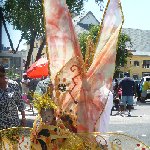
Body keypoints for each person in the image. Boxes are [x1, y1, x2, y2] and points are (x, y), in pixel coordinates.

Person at [0, 65, 26, 129]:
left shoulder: (13, 85)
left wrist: (23, 118)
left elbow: (20, 102)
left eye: (1, 76)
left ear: (4, 74)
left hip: (13, 124)